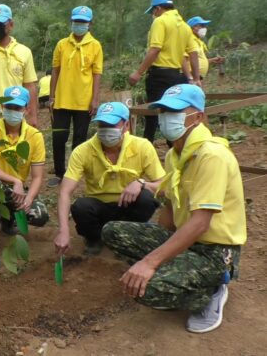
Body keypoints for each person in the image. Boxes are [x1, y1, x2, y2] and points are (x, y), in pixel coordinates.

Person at [102, 84, 246, 333]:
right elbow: (170, 202)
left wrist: (150, 263)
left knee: (147, 290)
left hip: (215, 251)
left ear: (198, 116)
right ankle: (178, 272)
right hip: (187, 240)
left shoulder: (211, 156)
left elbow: (201, 222)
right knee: (112, 231)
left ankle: (210, 291)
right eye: (163, 111)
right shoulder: (175, 155)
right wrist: (157, 247)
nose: (167, 117)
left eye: (175, 111)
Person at [54, 102, 165, 255]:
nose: (105, 130)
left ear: (126, 125)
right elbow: (65, 192)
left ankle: (130, 234)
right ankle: (94, 239)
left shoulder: (142, 146)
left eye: (111, 125)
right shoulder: (82, 151)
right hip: (99, 207)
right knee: (81, 207)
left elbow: (164, 186)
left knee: (146, 199)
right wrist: (63, 231)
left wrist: (141, 183)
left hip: (128, 205)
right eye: (102, 124)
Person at [128, 0, 200, 142]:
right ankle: (174, 147)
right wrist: (196, 78)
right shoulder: (185, 26)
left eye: (153, 11)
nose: (153, 15)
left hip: (158, 76)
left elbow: (155, 49)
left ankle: (147, 147)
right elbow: (193, 54)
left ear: (158, 8)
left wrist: (138, 73)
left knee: (153, 115)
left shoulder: (160, 22)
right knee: (173, 113)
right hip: (175, 77)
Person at [0, 86, 49, 236]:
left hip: (16, 192)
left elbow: (37, 176)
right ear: (2, 106)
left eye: (17, 108)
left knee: (40, 214)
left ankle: (8, 219)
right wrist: (16, 181)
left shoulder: (34, 136)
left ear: (26, 109)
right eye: (8, 107)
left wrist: (29, 199)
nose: (12, 111)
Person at [47, 6, 103, 187]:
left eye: (82, 22)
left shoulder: (95, 46)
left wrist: (95, 100)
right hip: (62, 100)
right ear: (71, 22)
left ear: (90, 24)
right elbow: (55, 71)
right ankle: (59, 173)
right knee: (58, 138)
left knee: (80, 140)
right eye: (76, 21)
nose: (79, 25)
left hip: (83, 101)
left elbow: (97, 74)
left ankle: (74, 173)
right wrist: (51, 96)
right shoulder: (62, 44)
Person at [184, 16, 225, 83]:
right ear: (194, 27)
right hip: (190, 77)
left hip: (196, 77)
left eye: (205, 26)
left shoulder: (199, 41)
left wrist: (211, 60)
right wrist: (190, 77)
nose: (205, 28)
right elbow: (183, 58)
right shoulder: (189, 40)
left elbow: (197, 59)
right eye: (202, 26)